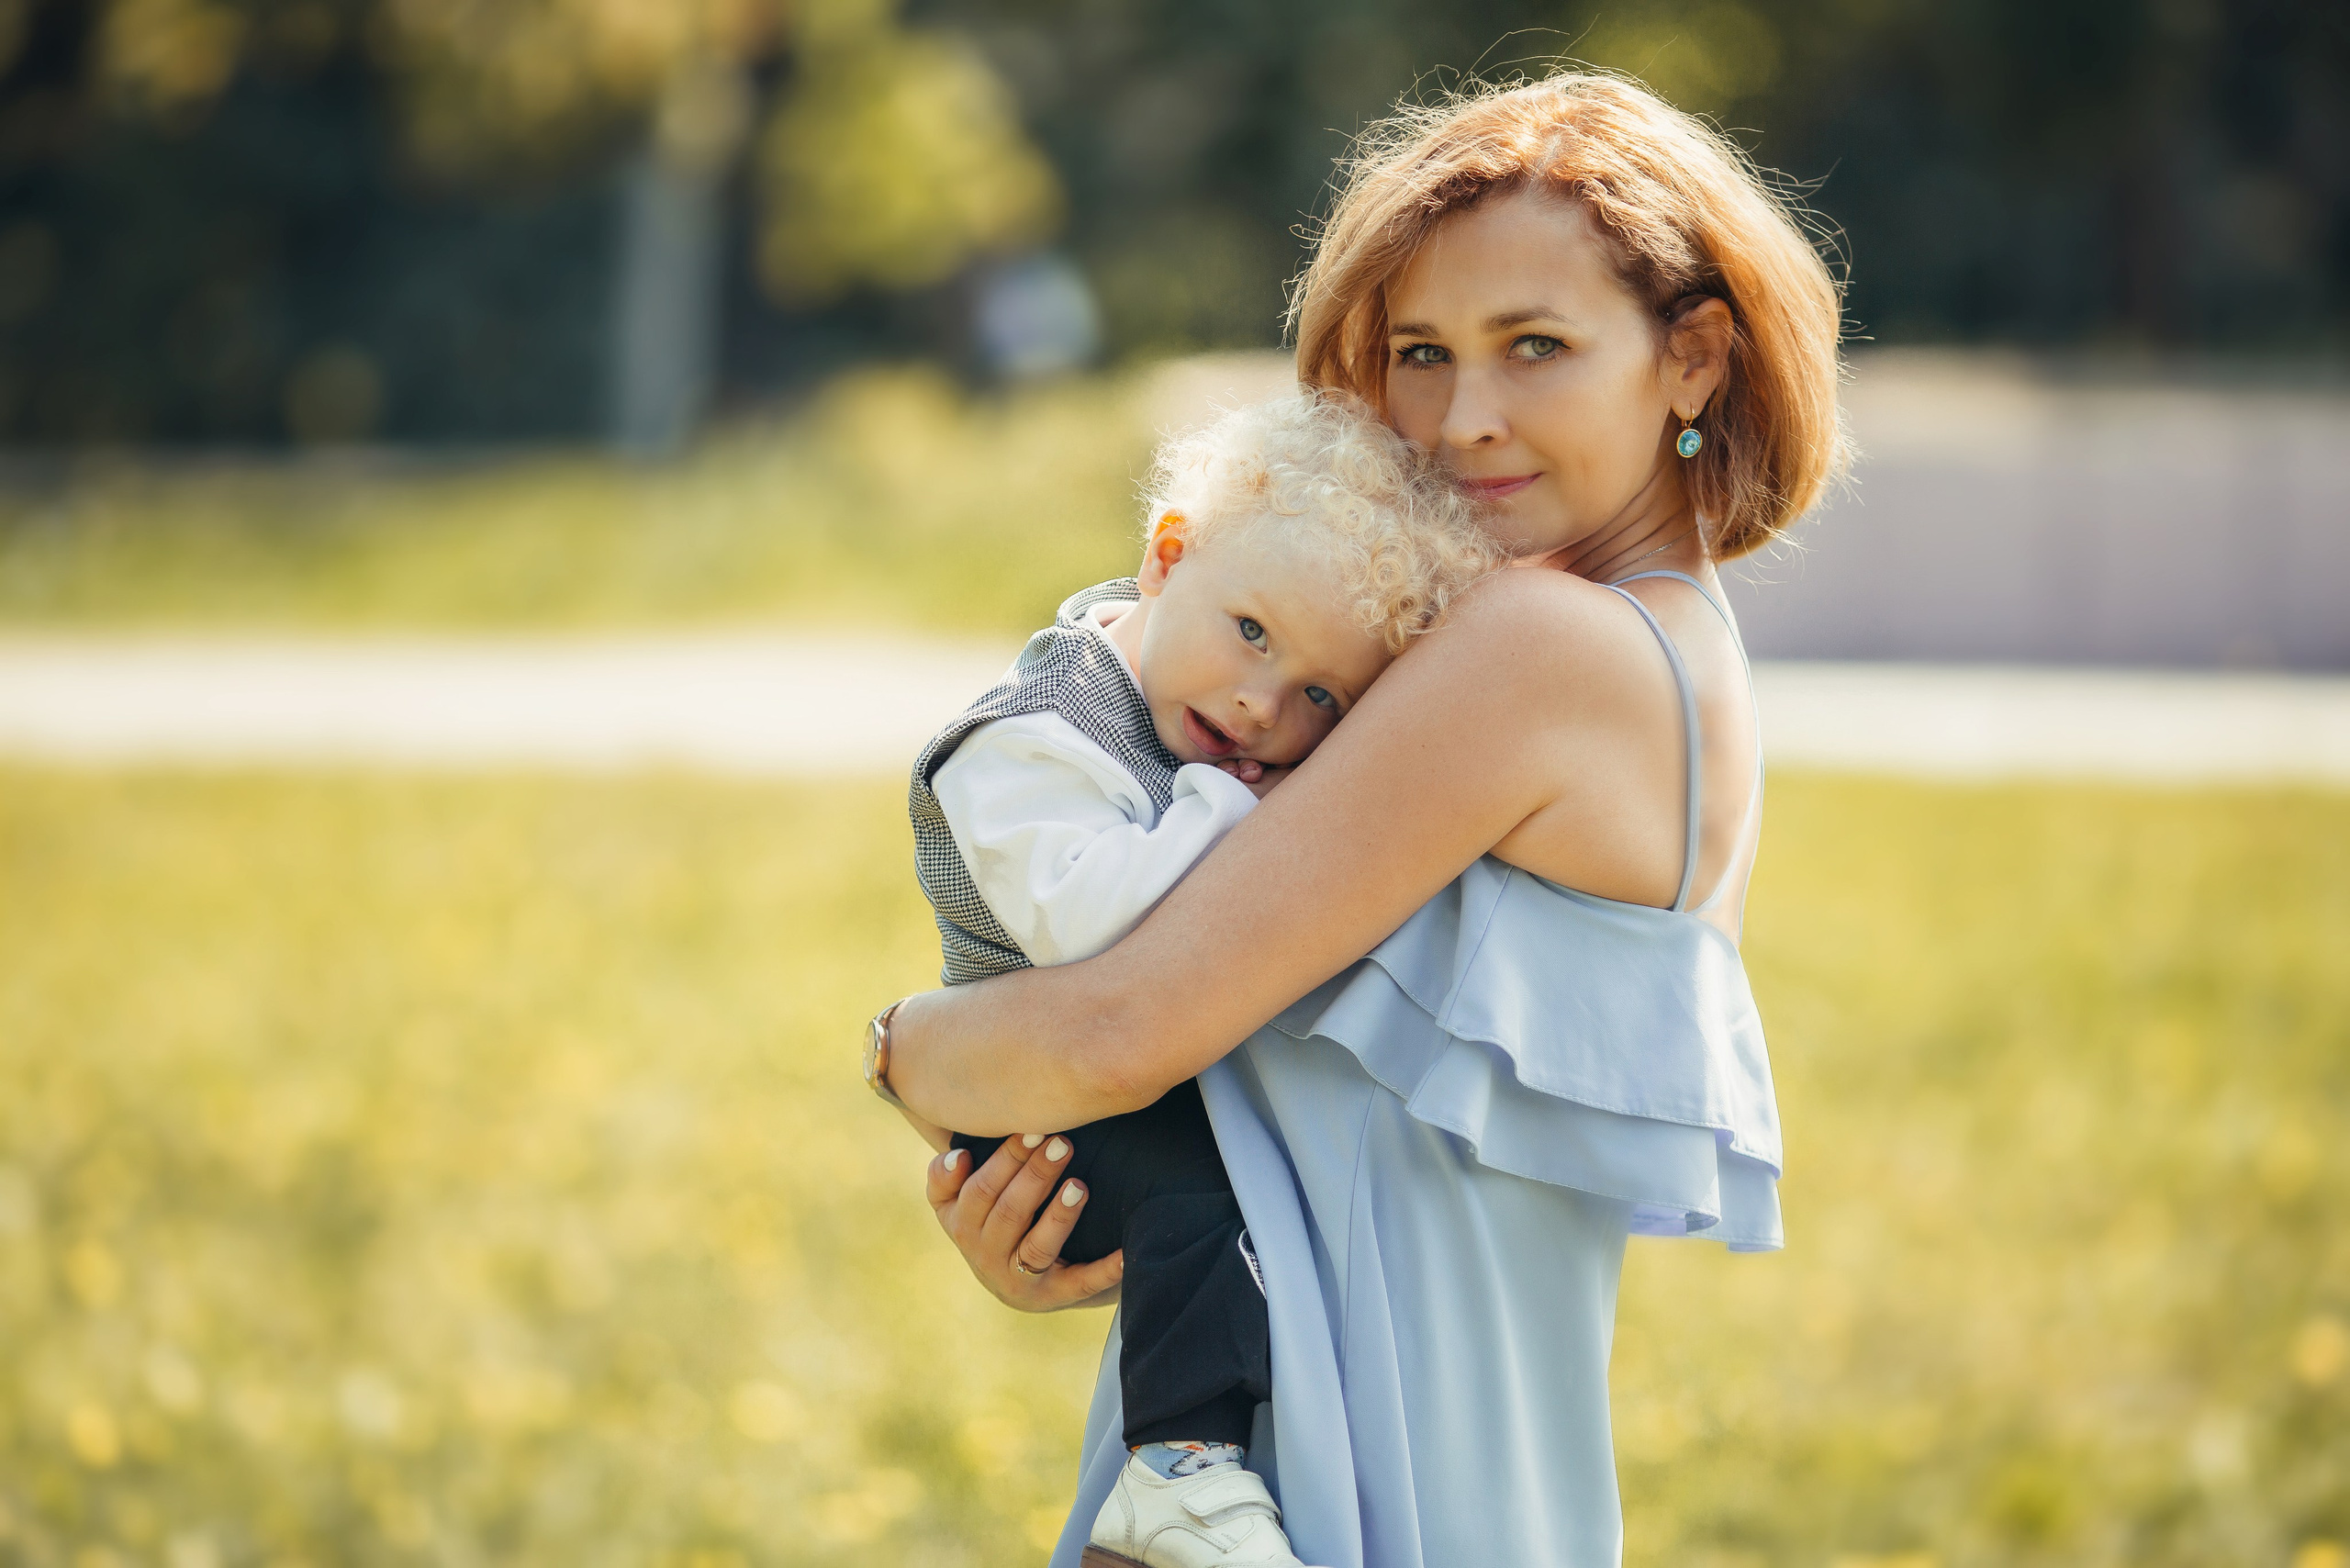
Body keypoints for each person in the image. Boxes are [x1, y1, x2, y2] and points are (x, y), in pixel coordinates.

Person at [867, 69, 1848, 1567]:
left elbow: (1121, 1024)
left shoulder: (1543, 648)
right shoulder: (1657, 650)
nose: (1464, 419)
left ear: (1694, 358)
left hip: (1357, 1482)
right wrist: (1095, 1210)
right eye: (1418, 352)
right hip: (1361, 1463)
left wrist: (905, 1052)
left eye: (1536, 347)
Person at [889, 393, 1497, 1567]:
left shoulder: (1186, 706)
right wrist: (1235, 810)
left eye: (1322, 697)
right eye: (1253, 633)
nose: (1260, 709)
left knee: (1257, 1213)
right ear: (1167, 556)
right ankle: (1177, 1474)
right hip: (1043, 1119)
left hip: (1120, 1078)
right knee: (1220, 1206)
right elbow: (1083, 930)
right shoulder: (1032, 737)